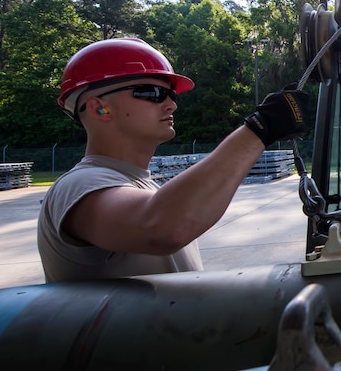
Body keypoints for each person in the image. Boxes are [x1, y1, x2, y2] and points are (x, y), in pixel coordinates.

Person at [38, 38, 311, 282]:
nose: (171, 104)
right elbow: (162, 228)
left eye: (170, 94)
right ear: (100, 107)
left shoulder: (143, 189)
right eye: (153, 93)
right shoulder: (78, 185)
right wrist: (260, 128)